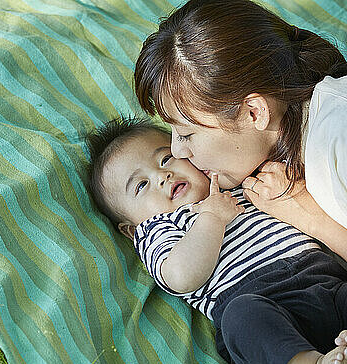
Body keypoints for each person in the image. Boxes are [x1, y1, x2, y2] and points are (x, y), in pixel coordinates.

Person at [87, 116, 347, 364]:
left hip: (325, 280)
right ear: (130, 230)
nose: (163, 176)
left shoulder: (230, 181)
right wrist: (212, 217)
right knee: (241, 319)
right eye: (141, 186)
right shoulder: (157, 228)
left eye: (165, 160)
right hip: (264, 307)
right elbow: (181, 276)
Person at [133, 0, 347, 262]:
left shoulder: (338, 135)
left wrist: (311, 219)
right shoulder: (281, 145)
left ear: (254, 112)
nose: (177, 150)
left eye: (187, 134)